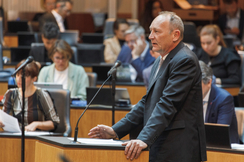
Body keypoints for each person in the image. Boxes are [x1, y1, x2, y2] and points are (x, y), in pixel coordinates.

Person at [89, 11, 207, 162]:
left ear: (175, 35)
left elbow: (168, 104)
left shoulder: (185, 60)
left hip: (179, 149)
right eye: (150, 31)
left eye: (156, 31)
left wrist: (143, 138)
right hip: (161, 144)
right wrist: (116, 130)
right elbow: (147, 101)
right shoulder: (160, 60)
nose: (150, 36)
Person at [0, 60, 60, 131]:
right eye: (17, 74)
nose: (19, 79)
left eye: (24, 76)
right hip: (15, 137)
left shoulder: (41, 95)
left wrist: (36, 124)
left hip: (36, 138)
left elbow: (54, 123)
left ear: (34, 78)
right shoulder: (10, 93)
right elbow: (5, 118)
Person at [199, 60, 239, 143]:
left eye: (196, 85)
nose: (192, 90)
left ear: (209, 82)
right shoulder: (188, 96)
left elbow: (220, 134)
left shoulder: (224, 99)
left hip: (224, 149)